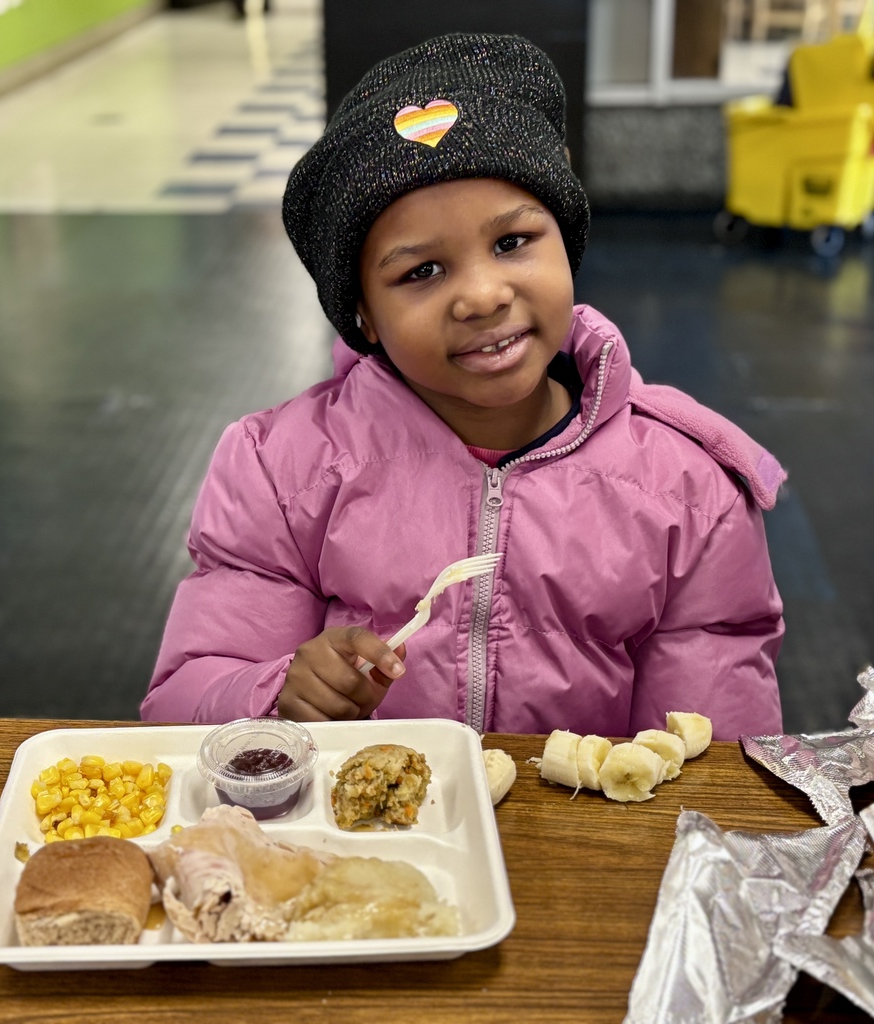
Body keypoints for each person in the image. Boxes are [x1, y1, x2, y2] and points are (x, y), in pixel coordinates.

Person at [142, 32, 786, 740]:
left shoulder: (690, 489)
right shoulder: (280, 469)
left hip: (581, 843)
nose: (481, 296)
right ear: (364, 316)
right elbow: (183, 699)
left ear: (565, 242)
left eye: (512, 243)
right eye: (420, 272)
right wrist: (275, 693)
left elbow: (715, 756)